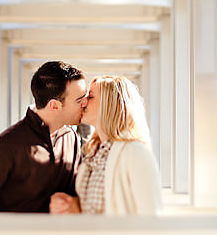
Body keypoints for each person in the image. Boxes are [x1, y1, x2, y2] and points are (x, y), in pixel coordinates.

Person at [0, 61, 87, 212]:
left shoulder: (71, 138)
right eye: (79, 100)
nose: (85, 103)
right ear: (55, 105)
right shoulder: (5, 147)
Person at [50, 75, 162, 215]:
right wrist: (74, 205)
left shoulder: (136, 153)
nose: (83, 103)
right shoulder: (94, 155)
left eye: (90, 97)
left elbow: (150, 217)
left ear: (109, 104)